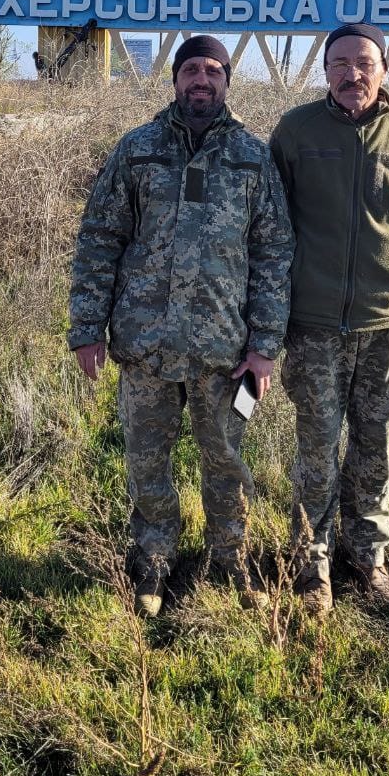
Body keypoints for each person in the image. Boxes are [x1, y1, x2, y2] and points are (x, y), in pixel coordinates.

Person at [69, 34, 294, 617]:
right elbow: (100, 239)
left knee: (225, 458)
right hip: (145, 342)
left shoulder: (251, 156)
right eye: (191, 69)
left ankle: (230, 558)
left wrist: (265, 346)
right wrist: (87, 327)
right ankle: (153, 561)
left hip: (226, 351)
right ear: (174, 80)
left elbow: (274, 253)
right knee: (147, 458)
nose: (201, 79)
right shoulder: (138, 150)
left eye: (213, 70)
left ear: (226, 81)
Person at [270, 22, 389, 613]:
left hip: (387, 326)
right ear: (324, 71)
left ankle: (366, 559)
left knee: (375, 446)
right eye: (340, 63)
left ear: (384, 71)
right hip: (314, 325)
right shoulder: (295, 132)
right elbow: (276, 218)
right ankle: (311, 565)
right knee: (316, 448)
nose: (352, 74)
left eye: (364, 63)